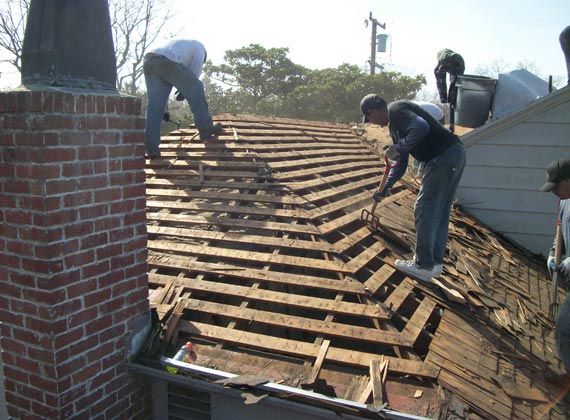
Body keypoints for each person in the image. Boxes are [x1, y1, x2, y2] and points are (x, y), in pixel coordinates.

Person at [360, 94, 466, 283]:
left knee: (424, 208)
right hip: (453, 156)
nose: (373, 123)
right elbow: (400, 166)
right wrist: (385, 188)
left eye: (370, 118)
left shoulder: (396, 109)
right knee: (439, 212)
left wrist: (399, 147)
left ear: (373, 111)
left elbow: (421, 127)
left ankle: (422, 265)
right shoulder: (396, 128)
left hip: (443, 157)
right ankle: (434, 264)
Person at [143, 39, 223, 159]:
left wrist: (164, 110)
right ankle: (206, 129)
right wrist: (184, 91)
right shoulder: (200, 47)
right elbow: (195, 74)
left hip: (149, 61)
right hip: (166, 60)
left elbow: (161, 95)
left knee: (155, 106)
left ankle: (151, 148)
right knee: (197, 87)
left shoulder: (180, 47)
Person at [541, 158, 570, 376]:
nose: (554, 192)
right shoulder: (563, 201)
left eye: (557, 186)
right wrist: (554, 253)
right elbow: (560, 231)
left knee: (564, 325)